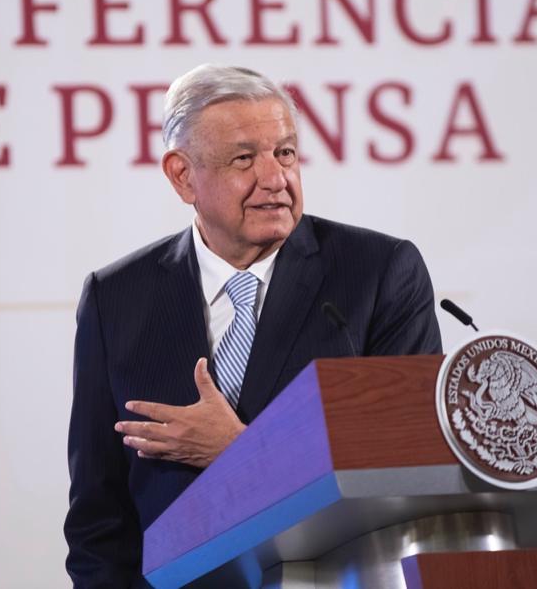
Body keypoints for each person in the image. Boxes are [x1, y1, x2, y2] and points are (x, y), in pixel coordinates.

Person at [64, 65, 442, 587]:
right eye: (244, 159)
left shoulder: (378, 275)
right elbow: (98, 517)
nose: (276, 179)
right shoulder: (116, 298)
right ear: (182, 175)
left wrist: (241, 454)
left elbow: (409, 469)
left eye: (285, 153)